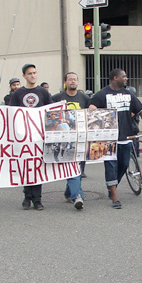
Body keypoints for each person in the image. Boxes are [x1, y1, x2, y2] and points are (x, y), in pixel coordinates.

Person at [88, 68, 142, 209]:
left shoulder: (128, 94)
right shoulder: (102, 94)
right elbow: (91, 108)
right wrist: (92, 110)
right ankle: (114, 195)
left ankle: (112, 185)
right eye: (123, 76)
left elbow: (141, 111)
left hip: (126, 136)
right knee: (111, 166)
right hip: (108, 138)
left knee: (124, 164)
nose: (126, 78)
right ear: (114, 78)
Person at [9, 64, 53, 210]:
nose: (33, 75)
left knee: (37, 166)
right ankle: (27, 196)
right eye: (30, 73)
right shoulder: (18, 93)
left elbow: (51, 110)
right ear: (24, 76)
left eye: (34, 73)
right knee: (26, 166)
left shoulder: (43, 92)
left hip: (39, 135)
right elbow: (11, 113)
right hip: (24, 136)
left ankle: (37, 199)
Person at [52, 72, 90, 210]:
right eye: (70, 79)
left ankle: (69, 193)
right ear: (65, 82)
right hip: (64, 139)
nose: (73, 81)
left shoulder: (84, 98)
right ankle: (77, 196)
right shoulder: (56, 98)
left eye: (75, 79)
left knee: (78, 168)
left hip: (80, 138)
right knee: (73, 167)